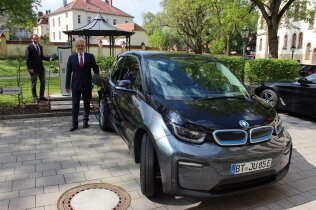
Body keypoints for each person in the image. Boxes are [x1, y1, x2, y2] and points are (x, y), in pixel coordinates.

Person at [66, 37, 99, 131]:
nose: (80, 47)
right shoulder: (71, 58)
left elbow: (96, 68)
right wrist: (67, 85)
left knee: (87, 104)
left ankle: (85, 121)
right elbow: (68, 73)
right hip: (75, 85)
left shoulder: (90, 56)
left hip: (87, 84)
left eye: (82, 45)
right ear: (75, 46)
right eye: (78, 45)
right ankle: (74, 124)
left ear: (84, 46)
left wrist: (96, 78)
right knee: (75, 104)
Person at [25, 34, 52, 102]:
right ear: (32, 39)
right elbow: (27, 59)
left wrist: (49, 59)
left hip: (40, 68)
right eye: (34, 39)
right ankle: (35, 97)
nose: (36, 40)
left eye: (37, 38)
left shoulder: (40, 47)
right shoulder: (29, 47)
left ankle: (41, 96)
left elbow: (41, 57)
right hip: (33, 69)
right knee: (34, 84)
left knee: (43, 82)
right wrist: (30, 68)